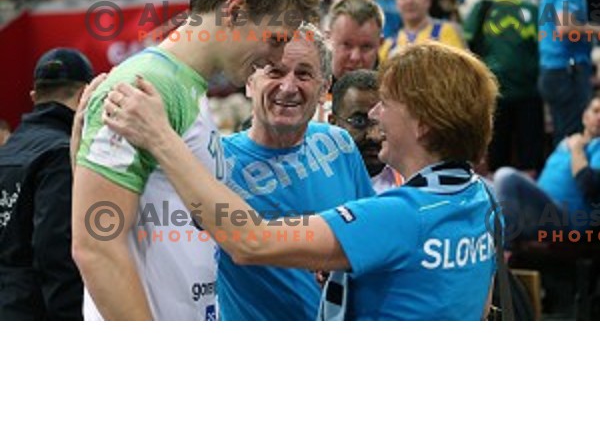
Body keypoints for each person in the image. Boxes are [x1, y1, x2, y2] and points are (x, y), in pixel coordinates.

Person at [101, 42, 500, 321]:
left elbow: (250, 241)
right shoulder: (481, 197)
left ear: (423, 125)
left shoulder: (399, 215)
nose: (375, 114)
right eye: (275, 70)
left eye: (387, 104)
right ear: (250, 82)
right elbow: (479, 308)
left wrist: (159, 136)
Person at [72, 0, 322, 321]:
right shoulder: (145, 84)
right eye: (275, 39)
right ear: (235, 10)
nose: (275, 58)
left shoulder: (187, 88)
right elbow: (96, 246)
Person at [218, 25, 374, 320]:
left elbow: (368, 244)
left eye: (304, 74)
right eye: (275, 72)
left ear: (323, 87)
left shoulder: (338, 144)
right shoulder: (215, 162)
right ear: (250, 82)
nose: (289, 87)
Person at [0, 48, 94, 320]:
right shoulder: (61, 154)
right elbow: (55, 250)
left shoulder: (8, 150)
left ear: (34, 97)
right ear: (84, 95)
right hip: (38, 310)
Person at [464, 0, 542, 175]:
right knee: (496, 160)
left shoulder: (533, 9)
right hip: (494, 95)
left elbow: (543, 48)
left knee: (530, 159)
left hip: (528, 94)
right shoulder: (483, 8)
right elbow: (468, 47)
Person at [495, 96, 600, 242]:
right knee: (482, 184)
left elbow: (589, 185)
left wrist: (577, 148)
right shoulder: (566, 142)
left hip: (565, 218)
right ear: (585, 117)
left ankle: (503, 251)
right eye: (596, 111)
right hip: (536, 209)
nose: (599, 117)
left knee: (505, 176)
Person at [538, 0, 600, 144]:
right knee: (573, 139)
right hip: (566, 71)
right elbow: (565, 27)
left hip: (557, 69)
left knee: (564, 135)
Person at [329, 69, 401, 193]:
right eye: (359, 121)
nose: (374, 135)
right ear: (333, 123)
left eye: (381, 122)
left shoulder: (412, 179)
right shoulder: (313, 181)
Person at [316, 0, 383, 121]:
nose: (355, 57)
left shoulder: (393, 96)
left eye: (366, 47)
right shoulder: (307, 88)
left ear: (381, 43)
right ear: (327, 39)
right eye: (346, 45)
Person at [380, 0, 466, 61]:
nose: (409, 1)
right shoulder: (388, 46)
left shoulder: (448, 31)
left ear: (428, 0)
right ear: (396, 2)